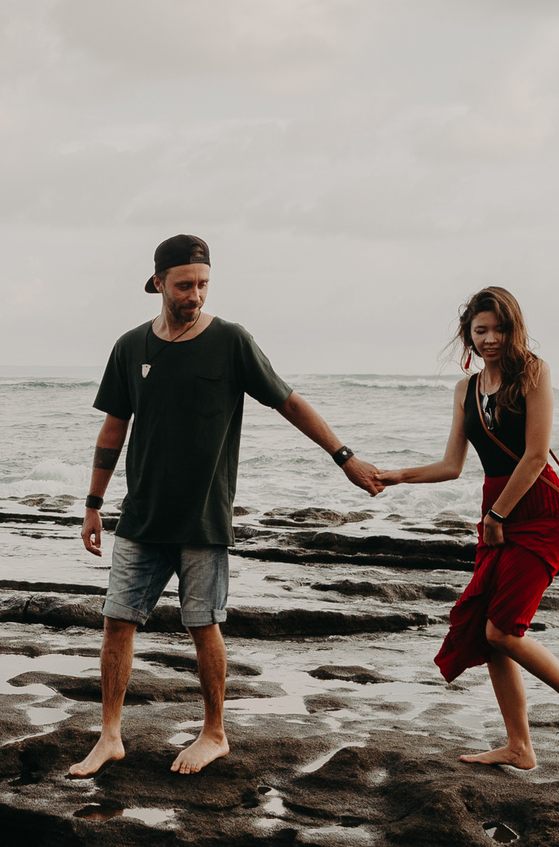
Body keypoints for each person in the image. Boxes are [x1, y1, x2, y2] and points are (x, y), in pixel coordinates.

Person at [70, 233, 383, 778]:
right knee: (116, 622)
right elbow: (114, 428)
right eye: (184, 285)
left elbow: (288, 402)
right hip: (142, 516)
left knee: (203, 624)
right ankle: (111, 736)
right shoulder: (129, 346)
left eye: (203, 284)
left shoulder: (231, 341)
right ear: (158, 283)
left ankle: (215, 733)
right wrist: (93, 503)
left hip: (204, 517)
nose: (195, 295)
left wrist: (344, 457)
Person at [375, 287, 559, 767]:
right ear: (469, 334)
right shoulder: (467, 389)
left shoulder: (534, 373)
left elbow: (536, 455)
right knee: (487, 629)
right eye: (481, 330)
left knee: (503, 631)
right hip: (496, 511)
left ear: (514, 329)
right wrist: (397, 476)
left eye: (499, 329)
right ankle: (519, 746)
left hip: (537, 510)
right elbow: (452, 465)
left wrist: (497, 515)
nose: (491, 339)